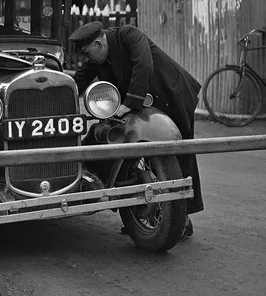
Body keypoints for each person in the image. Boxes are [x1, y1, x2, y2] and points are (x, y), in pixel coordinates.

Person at [68, 21, 203, 239]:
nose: (86, 58)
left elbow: (144, 64)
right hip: (149, 104)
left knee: (179, 154)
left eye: (87, 52)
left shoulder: (129, 35)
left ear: (98, 44)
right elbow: (79, 79)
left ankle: (182, 220)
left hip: (171, 95)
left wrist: (130, 102)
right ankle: (139, 216)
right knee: (136, 149)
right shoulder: (99, 57)